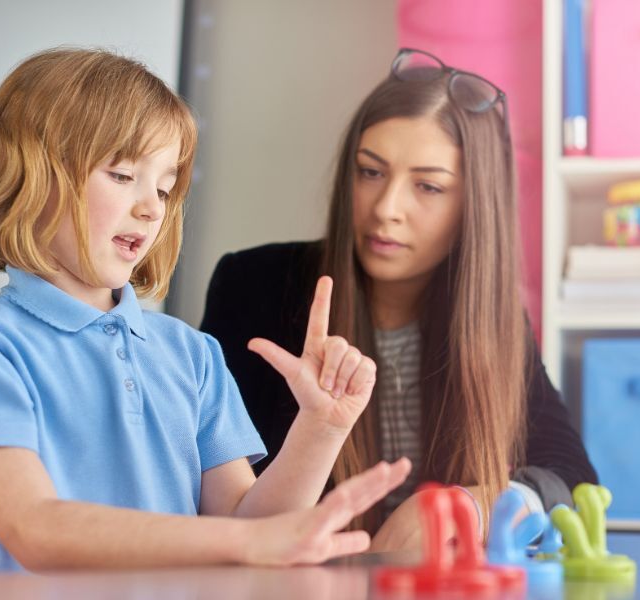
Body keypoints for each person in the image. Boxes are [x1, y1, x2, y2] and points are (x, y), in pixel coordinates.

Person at [0, 47, 410, 576]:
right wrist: (244, 544)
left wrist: (320, 428)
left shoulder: (192, 354)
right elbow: (35, 529)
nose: (152, 207)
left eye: (165, 188)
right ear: (31, 175)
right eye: (123, 174)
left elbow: (247, 531)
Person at [201, 48, 597, 551]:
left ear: (474, 207)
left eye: (428, 186)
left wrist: (468, 507)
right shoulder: (252, 284)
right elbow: (214, 489)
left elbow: (574, 482)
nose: (387, 209)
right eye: (370, 172)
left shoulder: (490, 318)